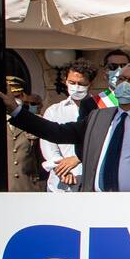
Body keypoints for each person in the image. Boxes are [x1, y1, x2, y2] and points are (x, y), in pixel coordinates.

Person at [0, 63, 130, 192]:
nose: (125, 84)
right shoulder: (99, 116)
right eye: (122, 79)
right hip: (96, 203)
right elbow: (58, 132)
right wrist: (16, 111)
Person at [0, 76, 43, 192]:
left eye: (17, 96)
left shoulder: (32, 121)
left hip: (25, 189)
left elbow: (40, 159)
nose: (12, 100)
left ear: (24, 96)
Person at [39, 59, 93, 191]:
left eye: (81, 84)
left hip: (91, 182)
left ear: (90, 84)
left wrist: (77, 158)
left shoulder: (101, 109)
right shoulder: (54, 111)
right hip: (60, 185)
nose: (76, 87)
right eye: (72, 83)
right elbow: (49, 148)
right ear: (65, 81)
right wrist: (62, 170)